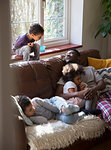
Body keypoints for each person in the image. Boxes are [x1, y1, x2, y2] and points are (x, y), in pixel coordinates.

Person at [56, 49, 111, 127]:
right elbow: (58, 94)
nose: (67, 55)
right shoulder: (66, 75)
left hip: (101, 94)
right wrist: (78, 93)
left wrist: (93, 90)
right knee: (109, 112)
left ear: (79, 58)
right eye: (66, 55)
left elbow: (102, 84)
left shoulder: (90, 69)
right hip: (93, 100)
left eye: (70, 54)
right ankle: (87, 111)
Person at [18, 95, 85, 125]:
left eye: (32, 106)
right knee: (69, 120)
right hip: (55, 116)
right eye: (30, 110)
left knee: (65, 110)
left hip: (55, 103)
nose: (33, 109)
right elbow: (44, 120)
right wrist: (31, 118)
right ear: (25, 114)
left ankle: (76, 108)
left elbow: (52, 107)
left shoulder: (36, 101)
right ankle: (82, 114)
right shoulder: (32, 118)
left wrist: (61, 110)